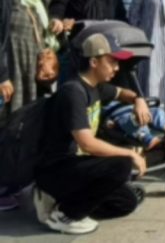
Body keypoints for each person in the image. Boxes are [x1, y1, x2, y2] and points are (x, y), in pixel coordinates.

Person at [34, 33, 145, 234]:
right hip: (56, 169)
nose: (117, 68)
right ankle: (64, 215)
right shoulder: (73, 92)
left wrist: (139, 100)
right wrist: (130, 153)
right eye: (112, 62)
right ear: (94, 61)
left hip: (78, 167)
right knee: (121, 165)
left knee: (126, 202)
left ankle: (65, 202)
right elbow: (87, 143)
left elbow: (122, 93)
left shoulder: (96, 88)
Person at [1, 0, 61, 120]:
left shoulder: (36, 0)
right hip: (10, 69)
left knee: (24, 120)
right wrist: (2, 76)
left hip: (30, 72)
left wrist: (54, 26)